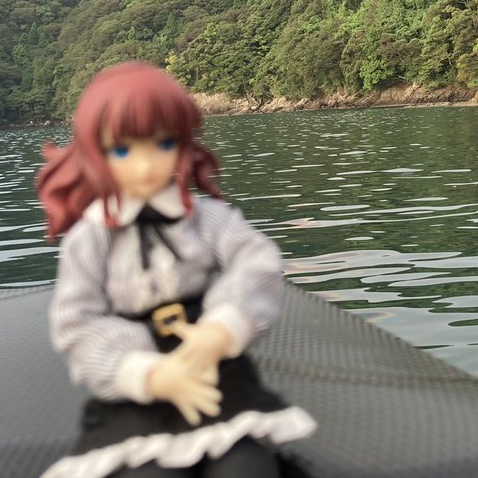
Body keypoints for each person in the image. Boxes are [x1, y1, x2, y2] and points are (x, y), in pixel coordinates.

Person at [36, 62, 314, 478]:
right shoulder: (91, 237)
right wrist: (146, 374)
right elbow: (76, 322)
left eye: (163, 144)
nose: (145, 166)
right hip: (139, 385)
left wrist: (224, 327)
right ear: (96, 152)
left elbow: (255, 259)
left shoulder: (202, 218)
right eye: (123, 150)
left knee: (245, 467)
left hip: (212, 370)